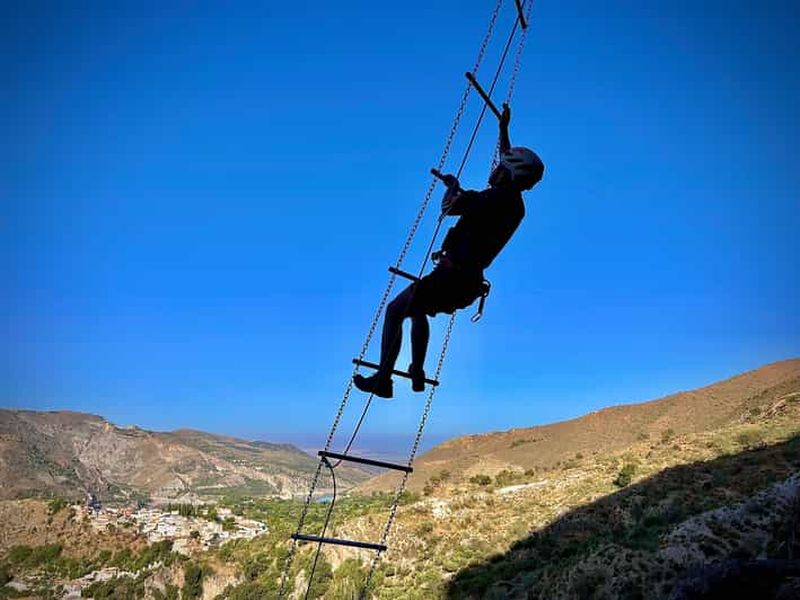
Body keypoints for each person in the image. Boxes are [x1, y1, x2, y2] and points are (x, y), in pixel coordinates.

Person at [354, 103, 544, 398]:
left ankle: (383, 380)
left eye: (499, 168)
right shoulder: (515, 205)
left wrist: (452, 185)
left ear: (508, 174)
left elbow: (449, 206)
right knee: (417, 309)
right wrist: (503, 129)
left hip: (452, 274)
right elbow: (507, 165)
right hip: (467, 282)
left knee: (394, 311)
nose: (494, 169)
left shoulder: (491, 199)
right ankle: (416, 370)